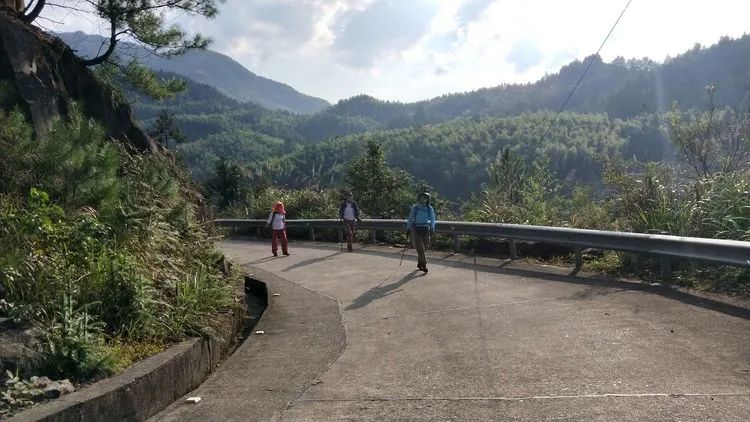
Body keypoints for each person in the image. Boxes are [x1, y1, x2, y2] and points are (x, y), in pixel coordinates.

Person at [406, 192, 436, 273]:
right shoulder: (415, 208)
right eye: (421, 198)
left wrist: (432, 228)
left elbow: (433, 219)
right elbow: (410, 218)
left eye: (425, 198)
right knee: (420, 248)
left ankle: (420, 262)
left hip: (426, 229)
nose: (422, 199)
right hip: (417, 229)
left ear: (428, 200)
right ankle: (424, 265)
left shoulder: (430, 208)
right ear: (418, 199)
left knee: (425, 247)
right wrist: (408, 228)